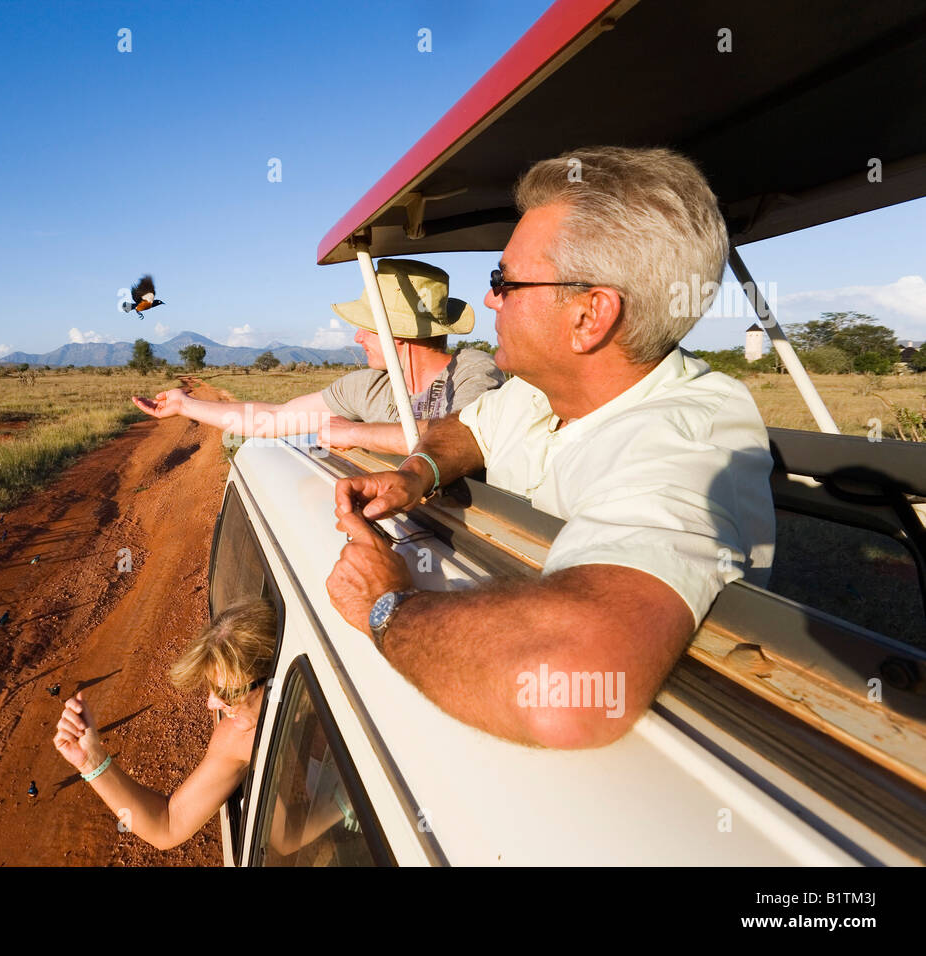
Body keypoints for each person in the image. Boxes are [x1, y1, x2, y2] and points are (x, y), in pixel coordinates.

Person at [325, 146, 776, 750]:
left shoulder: (686, 446)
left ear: (590, 316)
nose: (490, 301)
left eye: (503, 282)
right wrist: (418, 472)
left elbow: (567, 691)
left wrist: (386, 606)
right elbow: (469, 427)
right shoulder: (545, 390)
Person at [131, 259, 504, 456]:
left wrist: (356, 433)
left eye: (367, 326)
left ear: (402, 334)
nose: (357, 336)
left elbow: (463, 437)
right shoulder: (369, 387)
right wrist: (185, 405)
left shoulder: (471, 370)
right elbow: (272, 419)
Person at [52, 600, 274, 851]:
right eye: (211, 688)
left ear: (272, 681)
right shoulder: (237, 738)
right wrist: (91, 761)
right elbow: (168, 823)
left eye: (227, 693)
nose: (211, 704)